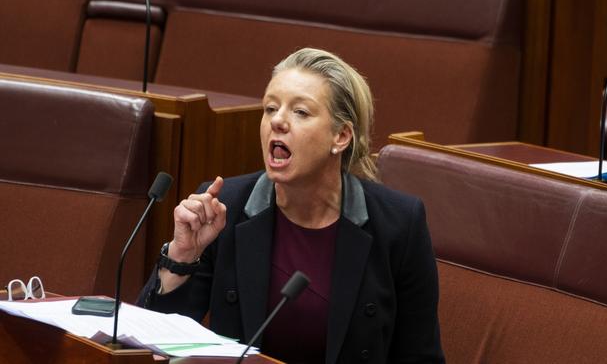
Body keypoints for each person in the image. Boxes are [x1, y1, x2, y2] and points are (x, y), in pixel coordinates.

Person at [138, 48, 445, 363]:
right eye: (270, 108)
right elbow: (151, 346)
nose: (278, 121)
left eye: (301, 112)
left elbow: (421, 356)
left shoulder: (398, 224)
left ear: (341, 136)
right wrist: (182, 257)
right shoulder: (225, 207)